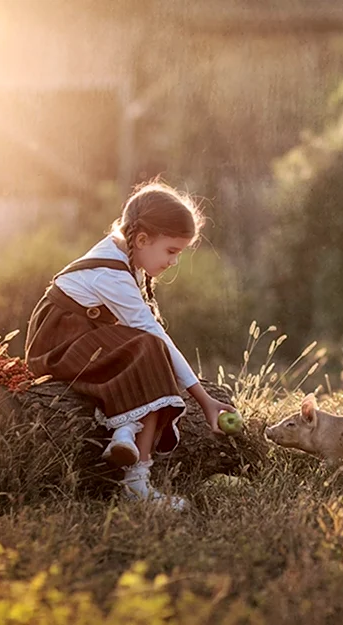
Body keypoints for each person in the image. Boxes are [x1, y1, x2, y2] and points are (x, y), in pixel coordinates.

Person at [24, 181, 236, 510]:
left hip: (87, 339)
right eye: (171, 251)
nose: (174, 262)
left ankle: (126, 435)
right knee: (151, 349)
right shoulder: (111, 274)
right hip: (59, 343)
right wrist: (204, 399)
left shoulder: (126, 258)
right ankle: (136, 480)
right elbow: (155, 338)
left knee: (145, 349)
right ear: (142, 239)